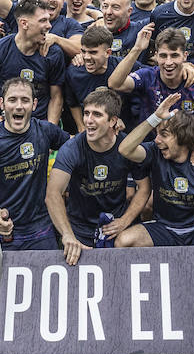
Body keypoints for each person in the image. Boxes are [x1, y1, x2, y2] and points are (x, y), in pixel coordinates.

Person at [116, 93, 194, 247]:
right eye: (157, 134)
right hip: (164, 228)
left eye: (164, 135)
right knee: (124, 241)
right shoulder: (154, 151)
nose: (157, 140)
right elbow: (125, 149)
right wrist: (155, 118)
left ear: (183, 136)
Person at [46, 88, 150, 264]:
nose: (88, 120)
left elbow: (144, 187)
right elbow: (52, 194)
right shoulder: (72, 148)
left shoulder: (126, 147)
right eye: (86, 113)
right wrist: (68, 235)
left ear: (113, 121)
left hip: (115, 228)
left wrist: (125, 220)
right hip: (79, 230)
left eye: (97, 114)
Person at [0, 77, 70, 250]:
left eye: (25, 100)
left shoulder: (46, 131)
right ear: (1, 104)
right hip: (2, 229)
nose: (18, 106)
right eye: (12, 100)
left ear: (34, 104)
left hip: (40, 229)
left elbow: (76, 146)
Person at [0, 0, 66, 125]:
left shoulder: (53, 53)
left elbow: (56, 97)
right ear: (24, 23)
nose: (49, 25)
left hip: (38, 124)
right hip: (6, 124)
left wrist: (50, 129)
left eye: (48, 20)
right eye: (43, 20)